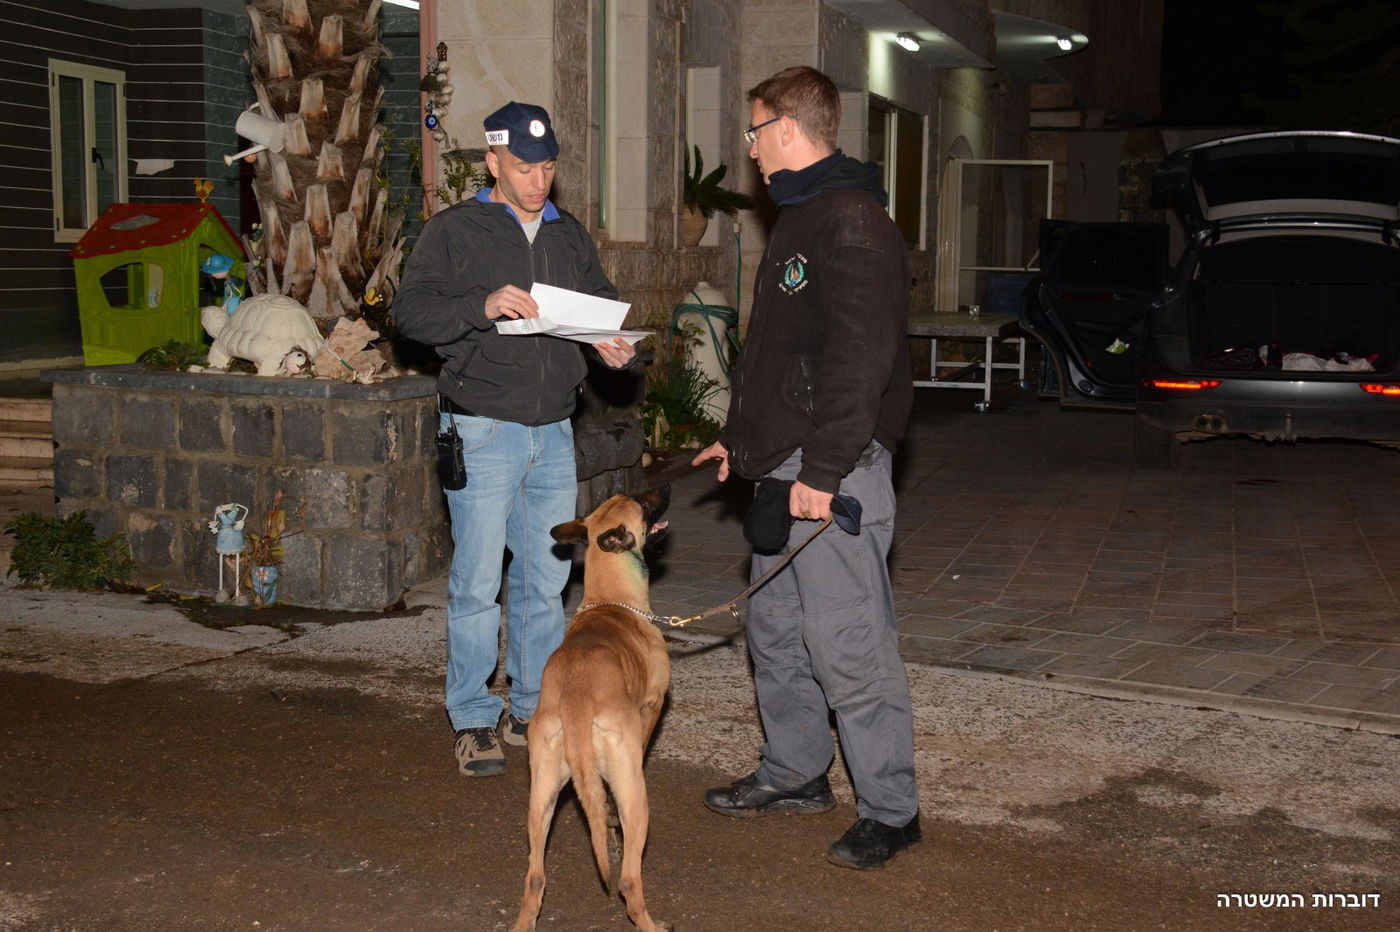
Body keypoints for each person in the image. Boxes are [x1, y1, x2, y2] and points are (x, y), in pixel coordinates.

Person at [691, 66, 920, 869]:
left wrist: (824, 467)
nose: (748, 150)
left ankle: (892, 810)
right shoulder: (802, 217)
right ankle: (795, 773)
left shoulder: (850, 222)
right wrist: (740, 437)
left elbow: (860, 361)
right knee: (778, 630)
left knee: (848, 643)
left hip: (834, 470)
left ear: (787, 127)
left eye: (753, 132)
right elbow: (780, 355)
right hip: (787, 464)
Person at [394, 101, 635, 777]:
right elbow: (410, 312)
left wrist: (615, 350)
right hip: (481, 426)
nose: (538, 180)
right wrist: (481, 305)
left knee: (544, 578)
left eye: (548, 165)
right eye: (525, 166)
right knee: (475, 582)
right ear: (493, 162)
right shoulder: (457, 230)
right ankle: (473, 716)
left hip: (553, 432)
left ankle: (533, 708)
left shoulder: (568, 236)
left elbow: (599, 313)